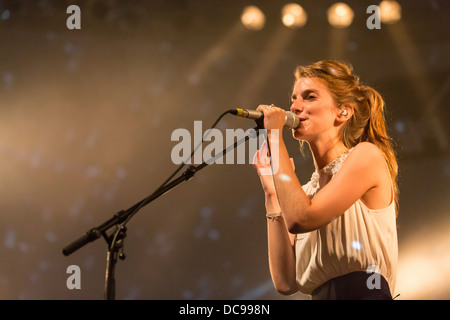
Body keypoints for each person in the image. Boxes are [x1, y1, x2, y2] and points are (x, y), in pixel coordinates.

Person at [252, 60, 398, 300]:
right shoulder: (308, 191)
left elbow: (301, 218)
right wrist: (272, 196)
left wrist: (274, 136)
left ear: (343, 111)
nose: (295, 106)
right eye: (294, 98)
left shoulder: (366, 155)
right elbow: (285, 282)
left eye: (309, 97)